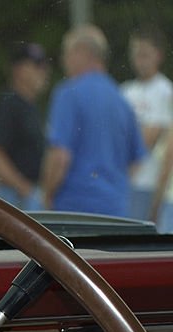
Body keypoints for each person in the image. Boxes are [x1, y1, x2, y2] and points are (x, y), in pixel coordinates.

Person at [40, 25, 146, 216]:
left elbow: (60, 157)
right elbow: (136, 160)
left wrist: (46, 196)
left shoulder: (68, 93)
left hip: (74, 209)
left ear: (82, 52)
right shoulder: (122, 100)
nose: (63, 60)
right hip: (116, 210)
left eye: (66, 52)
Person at [122, 28, 173, 221]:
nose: (140, 60)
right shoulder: (126, 90)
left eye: (145, 54)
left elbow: (149, 138)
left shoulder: (164, 91)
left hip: (147, 182)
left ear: (158, 56)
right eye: (136, 54)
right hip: (127, 181)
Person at [0, 42, 49, 209]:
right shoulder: (10, 105)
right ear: (19, 70)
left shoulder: (32, 107)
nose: (43, 71)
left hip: (29, 193)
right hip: (17, 197)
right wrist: (24, 188)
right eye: (37, 66)